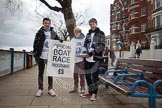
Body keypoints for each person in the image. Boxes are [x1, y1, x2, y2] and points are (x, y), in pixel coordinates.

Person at [33, 18, 63, 97]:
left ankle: (50, 89)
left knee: (50, 73)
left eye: (48, 23)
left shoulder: (53, 32)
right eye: (45, 23)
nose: (47, 24)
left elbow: (58, 40)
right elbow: (35, 43)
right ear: (43, 23)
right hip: (41, 56)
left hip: (50, 56)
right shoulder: (39, 32)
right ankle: (40, 89)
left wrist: (62, 41)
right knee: (40, 73)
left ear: (50, 24)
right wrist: (35, 54)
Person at [81, 18, 105, 101]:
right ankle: (90, 92)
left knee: (95, 77)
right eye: (90, 24)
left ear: (96, 24)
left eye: (93, 23)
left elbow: (101, 46)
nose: (92, 25)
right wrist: (83, 53)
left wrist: (90, 53)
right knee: (87, 76)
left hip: (95, 58)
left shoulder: (101, 33)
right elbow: (85, 45)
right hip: (87, 59)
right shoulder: (88, 34)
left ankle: (94, 93)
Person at [69, 27, 86, 94]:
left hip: (81, 60)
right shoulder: (73, 39)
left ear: (80, 32)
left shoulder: (83, 39)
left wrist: (84, 54)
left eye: (78, 32)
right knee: (75, 74)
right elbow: (69, 47)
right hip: (75, 59)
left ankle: (82, 88)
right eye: (75, 32)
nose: (76, 33)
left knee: (81, 74)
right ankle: (75, 88)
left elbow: (85, 48)